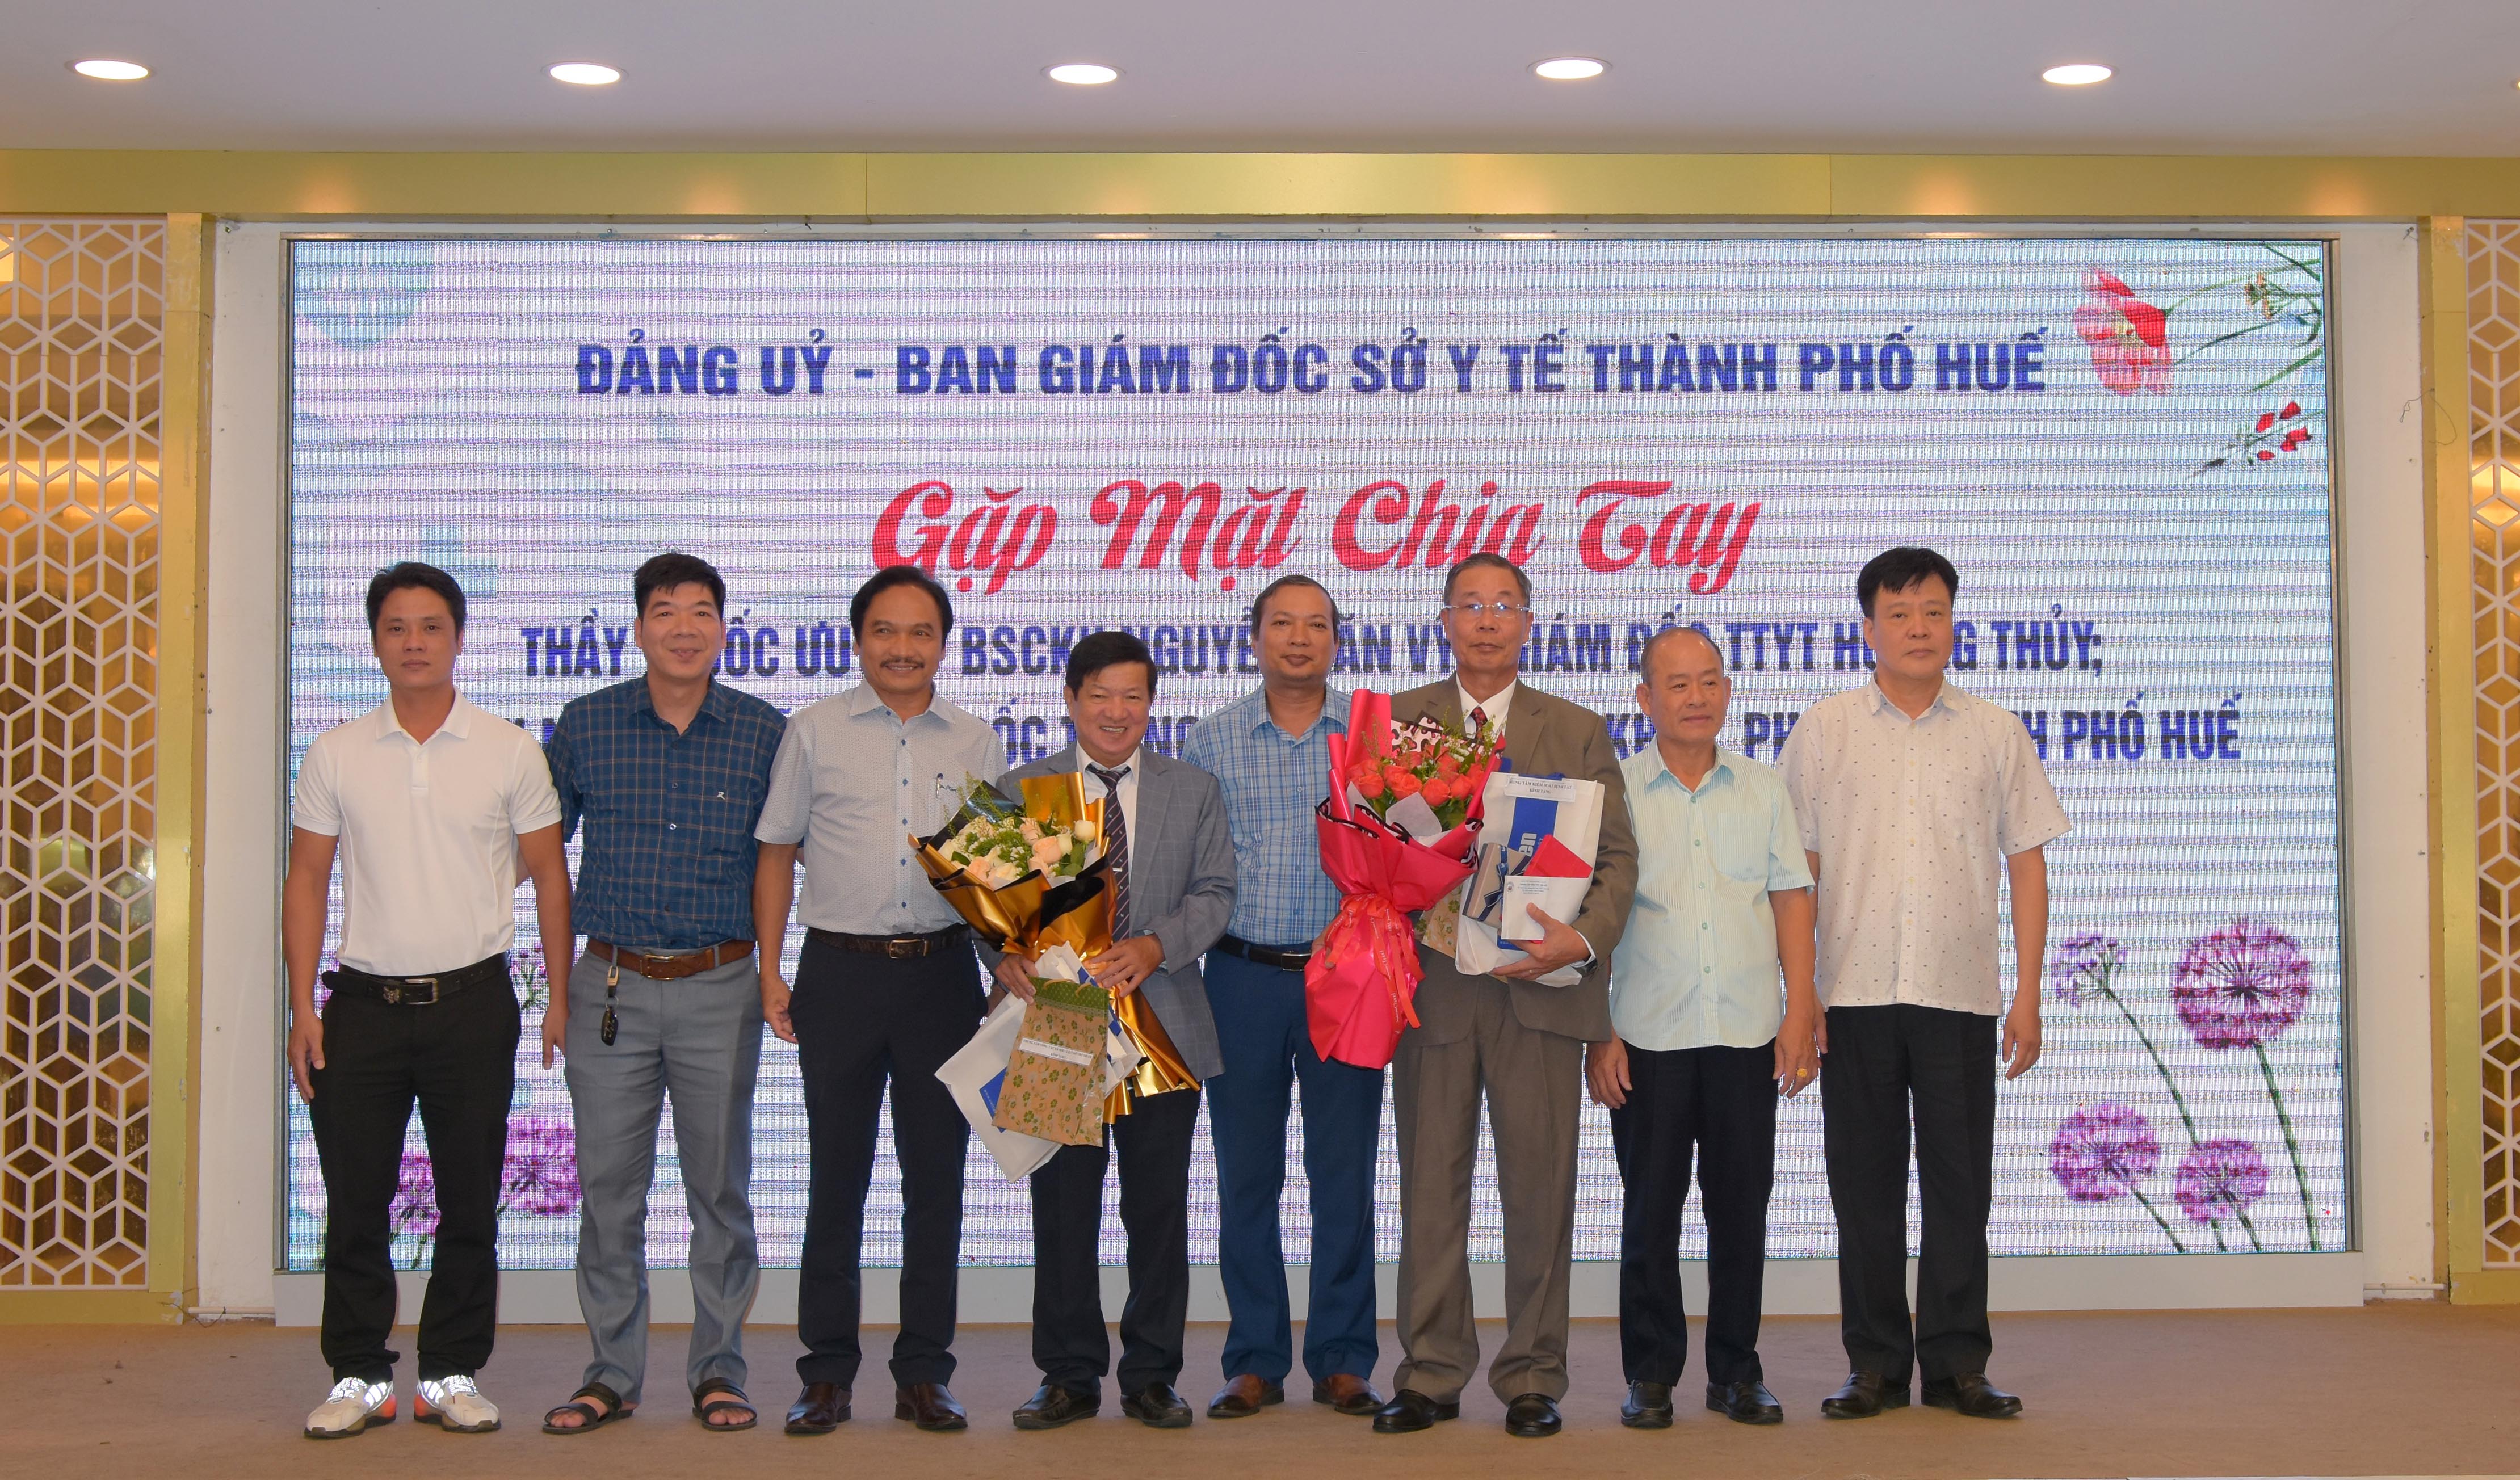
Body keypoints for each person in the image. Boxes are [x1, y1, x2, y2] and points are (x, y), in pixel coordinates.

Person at [1776, 546, 2068, 1421]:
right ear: (1868, 628)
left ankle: (1957, 1365)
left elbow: (2027, 868)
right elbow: (1798, 872)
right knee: (1863, 1190)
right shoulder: (1825, 729)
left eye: (1933, 612)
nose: (1918, 628)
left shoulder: (1995, 732)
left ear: (1953, 623)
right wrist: (1801, 993)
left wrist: (2028, 995)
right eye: (1899, 614)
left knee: (1959, 1188)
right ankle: (1873, 1364)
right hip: (1854, 996)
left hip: (1959, 996)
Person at [284, 561, 571, 1440]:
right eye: (397, 627)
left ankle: (450, 1371)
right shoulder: (336, 752)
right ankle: (359, 1375)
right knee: (355, 1201)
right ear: (375, 642)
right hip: (361, 1008)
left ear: (459, 637)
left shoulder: (509, 748)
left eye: (431, 626)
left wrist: (559, 998)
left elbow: (550, 878)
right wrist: (302, 1010)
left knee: (469, 1201)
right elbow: (307, 879)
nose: (414, 643)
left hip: (473, 1004)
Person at [1374, 552, 1637, 1440]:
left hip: (1543, 992)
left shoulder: (1577, 730)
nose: (1487, 620)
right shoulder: (1400, 722)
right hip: (1434, 993)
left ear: (1528, 622)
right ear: (1444, 620)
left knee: (1540, 1190)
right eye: (1470, 604)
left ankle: (1532, 1375)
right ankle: (1431, 1370)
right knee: (1429, 1191)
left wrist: (1582, 938)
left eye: (1504, 605)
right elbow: (1370, 848)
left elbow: (1617, 861)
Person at [538, 552, 787, 1436]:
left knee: (720, 1191)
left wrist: (773, 973)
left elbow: (781, 859)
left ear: (724, 628)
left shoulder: (764, 731)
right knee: (609, 1192)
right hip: (610, 986)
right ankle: (611, 1374)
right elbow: (540, 858)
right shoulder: (587, 724)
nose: (685, 628)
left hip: (722, 985)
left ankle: (719, 1370)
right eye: (666, 611)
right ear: (639, 627)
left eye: (702, 611)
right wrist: (552, 992)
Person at [753, 564, 1003, 1436]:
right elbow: (776, 851)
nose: (903, 648)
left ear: (943, 643)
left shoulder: (976, 741)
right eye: (886, 631)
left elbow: (993, 874)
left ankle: (924, 1373)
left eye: (921, 632)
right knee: (837, 1180)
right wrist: (771, 971)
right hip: (840, 975)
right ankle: (825, 1374)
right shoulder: (813, 731)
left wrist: (1006, 965)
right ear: (859, 641)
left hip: (941, 977)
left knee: (937, 1184)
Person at [990, 630, 1236, 1431]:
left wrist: (1157, 944)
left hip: (1163, 1020)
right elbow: (988, 906)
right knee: (1063, 1207)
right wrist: (1002, 955)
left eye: (1133, 696)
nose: (1116, 711)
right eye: (1100, 695)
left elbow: (1216, 891)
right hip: (1058, 1026)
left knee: (1157, 1210)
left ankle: (1153, 1375)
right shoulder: (1024, 788)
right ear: (1070, 700)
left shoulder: (1192, 788)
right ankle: (1067, 1375)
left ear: (1151, 705)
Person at [1586, 625, 1818, 1431]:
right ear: (1644, 698)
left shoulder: (1762, 787)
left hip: (1746, 1032)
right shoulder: (1613, 792)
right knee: (1649, 1213)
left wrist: (1801, 1009)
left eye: (1710, 681)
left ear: (1727, 691)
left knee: (1740, 1211)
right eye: (1678, 684)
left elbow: (1790, 898)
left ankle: (1737, 1372)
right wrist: (1598, 1032)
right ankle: (1650, 1375)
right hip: (1644, 1035)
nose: (1697, 697)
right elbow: (1589, 920)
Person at [1180, 575, 1385, 1422]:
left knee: (1345, 1174)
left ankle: (1343, 1356)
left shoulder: (1372, 738)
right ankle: (1255, 1358)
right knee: (1245, 1175)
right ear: (1254, 635)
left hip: (1349, 976)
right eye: (1282, 624)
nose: (1299, 638)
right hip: (1241, 978)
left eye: (1316, 625)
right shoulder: (1211, 740)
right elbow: (1191, 868)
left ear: (1338, 638)